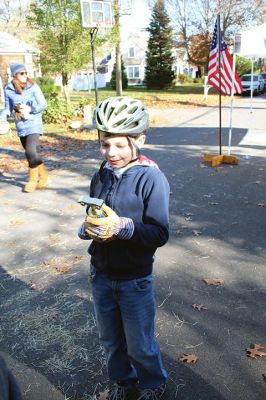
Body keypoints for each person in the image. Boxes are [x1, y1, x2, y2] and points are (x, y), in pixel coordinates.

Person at [78, 96, 170, 400]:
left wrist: (122, 227)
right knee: (110, 340)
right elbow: (95, 214)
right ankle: (123, 382)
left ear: (139, 139)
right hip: (101, 274)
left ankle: (154, 383)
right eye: (105, 144)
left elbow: (159, 232)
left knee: (139, 343)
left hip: (134, 279)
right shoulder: (100, 174)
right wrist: (88, 228)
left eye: (119, 144)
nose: (111, 152)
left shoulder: (151, 178)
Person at [0, 62, 48, 193]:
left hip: (34, 124)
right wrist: (2, 119)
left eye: (26, 72)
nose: (25, 75)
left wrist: (31, 109)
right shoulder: (8, 90)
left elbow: (43, 104)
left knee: (30, 151)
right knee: (32, 154)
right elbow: (7, 109)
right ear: (15, 75)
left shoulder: (33, 86)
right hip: (21, 126)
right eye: (22, 73)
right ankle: (44, 175)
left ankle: (32, 180)